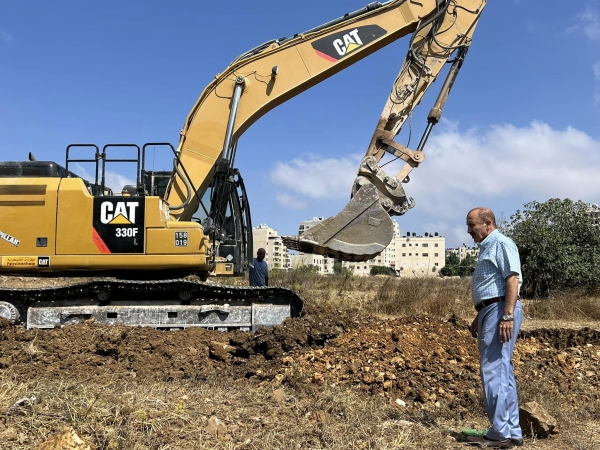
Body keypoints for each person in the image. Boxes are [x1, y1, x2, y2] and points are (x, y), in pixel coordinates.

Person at [465, 207, 524, 449]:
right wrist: (480, 315)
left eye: (472, 225)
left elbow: (512, 278)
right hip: (492, 309)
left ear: (487, 223)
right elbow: (493, 285)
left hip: (501, 309)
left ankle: (500, 433)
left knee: (493, 369)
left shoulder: (501, 242)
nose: (469, 230)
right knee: (502, 371)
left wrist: (507, 315)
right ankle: (511, 431)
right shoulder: (488, 246)